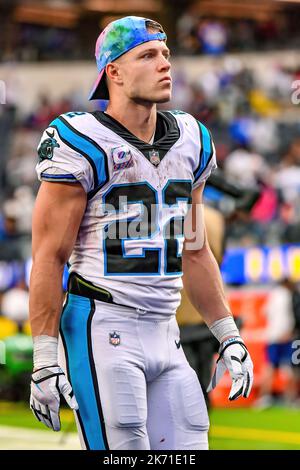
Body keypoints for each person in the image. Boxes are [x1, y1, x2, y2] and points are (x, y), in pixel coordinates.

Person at [29, 16, 253, 450]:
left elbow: (195, 251)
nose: (164, 64)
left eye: (166, 54)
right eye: (148, 55)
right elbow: (49, 256)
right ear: (112, 71)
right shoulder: (80, 139)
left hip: (165, 330)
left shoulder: (191, 139)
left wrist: (229, 334)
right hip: (102, 324)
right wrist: (43, 357)